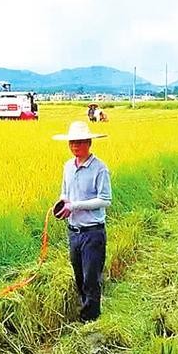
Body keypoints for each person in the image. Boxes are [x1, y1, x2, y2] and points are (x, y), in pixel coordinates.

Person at [52, 121, 112, 322]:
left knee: (91, 278)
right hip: (74, 232)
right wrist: (62, 205)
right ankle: (86, 310)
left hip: (93, 233)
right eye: (71, 143)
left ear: (88, 143)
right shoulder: (68, 166)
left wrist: (74, 206)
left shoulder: (100, 169)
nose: (74, 146)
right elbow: (65, 193)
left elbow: (105, 200)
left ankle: (91, 320)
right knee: (79, 276)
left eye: (78, 142)